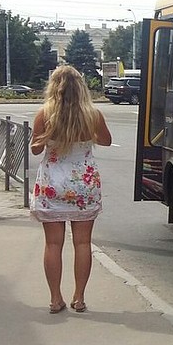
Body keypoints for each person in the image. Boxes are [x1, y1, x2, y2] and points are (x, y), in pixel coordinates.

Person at [30, 65, 112, 314]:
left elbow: (34, 150)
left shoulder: (44, 115)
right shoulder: (93, 115)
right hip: (83, 185)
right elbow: (107, 141)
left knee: (53, 244)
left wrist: (49, 137)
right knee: (83, 243)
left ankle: (56, 299)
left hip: (53, 184)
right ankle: (79, 297)